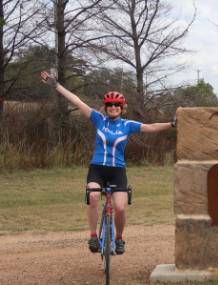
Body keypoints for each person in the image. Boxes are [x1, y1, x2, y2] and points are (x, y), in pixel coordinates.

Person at [40, 71, 176, 255]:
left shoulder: (127, 125)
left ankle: (119, 238)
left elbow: (150, 127)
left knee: (120, 207)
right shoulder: (99, 119)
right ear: (106, 107)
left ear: (122, 107)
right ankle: (93, 236)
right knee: (94, 196)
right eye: (110, 105)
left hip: (117, 171)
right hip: (97, 169)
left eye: (116, 105)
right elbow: (78, 101)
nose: (112, 107)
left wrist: (171, 124)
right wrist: (56, 85)